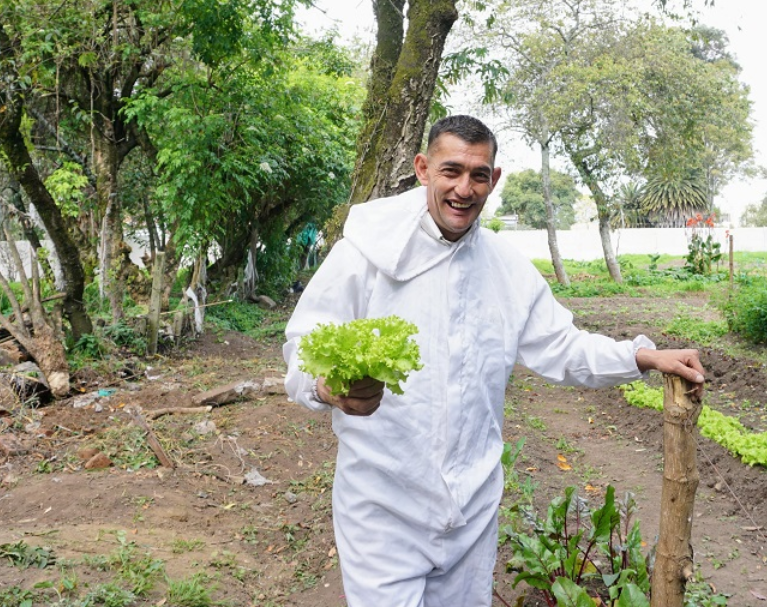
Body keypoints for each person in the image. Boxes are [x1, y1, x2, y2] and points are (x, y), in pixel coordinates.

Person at [283, 115, 705, 606]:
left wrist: (642, 356)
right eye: (451, 170)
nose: (464, 188)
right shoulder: (364, 255)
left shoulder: (506, 268)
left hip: (472, 510)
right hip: (383, 507)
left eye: (478, 175)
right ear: (423, 169)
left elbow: (563, 347)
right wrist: (324, 388)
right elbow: (305, 348)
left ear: (494, 180)